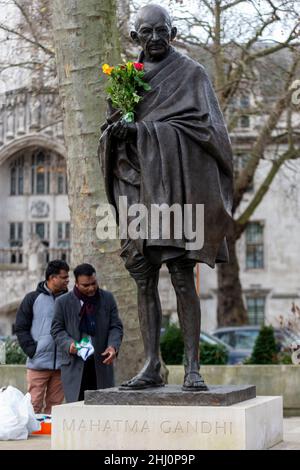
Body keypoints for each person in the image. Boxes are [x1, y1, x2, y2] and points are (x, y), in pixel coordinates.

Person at [99, 4, 233, 391]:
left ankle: (193, 366)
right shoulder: (127, 77)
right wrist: (119, 134)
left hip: (178, 188)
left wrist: (144, 132)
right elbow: (109, 130)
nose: (155, 39)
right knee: (143, 279)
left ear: (173, 33)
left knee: (180, 275)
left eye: (162, 31)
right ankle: (151, 365)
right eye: (147, 32)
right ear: (134, 37)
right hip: (138, 190)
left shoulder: (193, 74)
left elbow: (208, 131)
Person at [51, 263, 123, 402]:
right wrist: (69, 344)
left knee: (102, 409)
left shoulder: (107, 298)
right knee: (76, 412)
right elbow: (56, 329)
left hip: (101, 365)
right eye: (86, 285)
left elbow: (115, 326)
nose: (91, 288)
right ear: (76, 284)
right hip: (74, 365)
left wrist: (113, 346)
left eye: (94, 283)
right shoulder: (62, 302)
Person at [15, 259, 70, 413]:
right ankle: (32, 436)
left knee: (55, 408)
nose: (68, 280)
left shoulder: (70, 300)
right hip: (38, 362)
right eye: (64, 277)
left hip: (61, 364)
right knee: (33, 406)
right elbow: (21, 327)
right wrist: (33, 350)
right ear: (53, 278)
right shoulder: (32, 299)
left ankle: (51, 438)